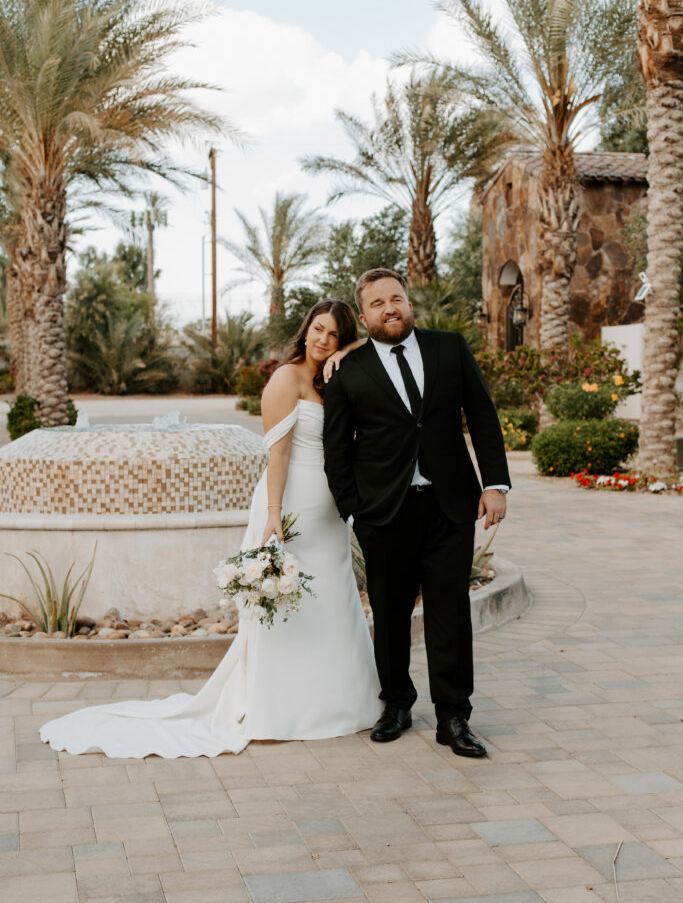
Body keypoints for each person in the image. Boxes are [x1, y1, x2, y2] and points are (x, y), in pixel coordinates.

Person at [40, 299, 382, 758]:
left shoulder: (335, 373)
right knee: (289, 607)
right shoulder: (285, 379)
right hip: (293, 504)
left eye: (334, 335)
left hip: (332, 514)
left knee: (334, 599)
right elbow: (276, 455)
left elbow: (377, 352)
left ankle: (344, 701)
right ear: (305, 331)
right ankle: (281, 708)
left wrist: (354, 347)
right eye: (318, 330)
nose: (324, 340)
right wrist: (273, 515)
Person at [323, 269, 510, 758]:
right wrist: (353, 509)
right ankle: (397, 705)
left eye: (397, 299)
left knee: (449, 613)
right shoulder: (350, 370)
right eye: (379, 303)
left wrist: (494, 484)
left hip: (450, 505)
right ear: (363, 317)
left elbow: (483, 415)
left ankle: (453, 716)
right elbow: (336, 447)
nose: (391, 308)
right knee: (390, 613)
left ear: (409, 304)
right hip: (384, 513)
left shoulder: (449, 348)